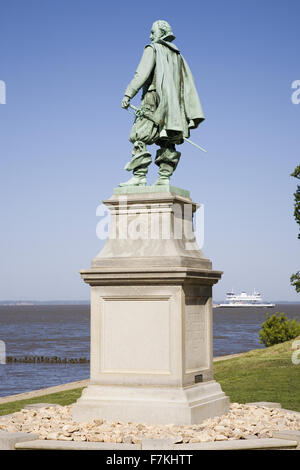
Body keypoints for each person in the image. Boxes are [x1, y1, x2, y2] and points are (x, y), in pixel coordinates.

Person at [119, 20, 205, 187]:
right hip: (173, 105)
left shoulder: (153, 49)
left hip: (153, 99)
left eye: (153, 32)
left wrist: (128, 93)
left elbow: (141, 74)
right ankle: (164, 177)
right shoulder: (178, 55)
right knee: (168, 140)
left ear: (162, 34)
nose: (150, 36)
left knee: (139, 135)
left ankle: (139, 176)